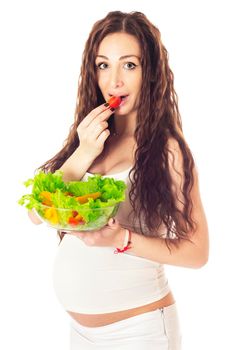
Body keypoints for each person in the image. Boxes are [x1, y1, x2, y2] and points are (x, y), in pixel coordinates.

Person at [28, 11, 209, 350]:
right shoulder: (90, 140)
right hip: (80, 334)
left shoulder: (168, 150)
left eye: (129, 65)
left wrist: (122, 238)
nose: (114, 81)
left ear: (150, 73)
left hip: (140, 332)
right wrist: (82, 154)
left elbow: (197, 253)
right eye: (103, 65)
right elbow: (35, 214)